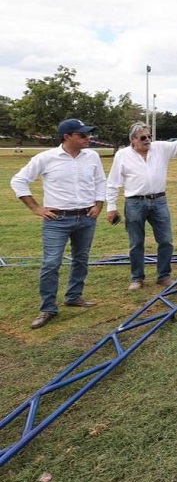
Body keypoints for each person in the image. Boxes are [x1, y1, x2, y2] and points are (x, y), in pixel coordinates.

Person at [10, 118, 107, 329]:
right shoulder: (46, 158)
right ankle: (48, 308)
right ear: (67, 136)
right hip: (57, 220)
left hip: (86, 217)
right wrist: (36, 208)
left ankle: (74, 296)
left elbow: (100, 182)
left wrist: (98, 205)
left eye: (88, 134)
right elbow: (18, 180)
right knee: (51, 263)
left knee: (81, 259)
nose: (88, 138)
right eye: (82, 135)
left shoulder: (92, 157)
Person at [105, 123, 177, 291]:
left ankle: (163, 276)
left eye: (149, 136)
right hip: (134, 203)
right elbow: (113, 183)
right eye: (143, 137)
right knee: (136, 242)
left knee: (165, 240)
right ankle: (137, 278)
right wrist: (111, 207)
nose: (148, 140)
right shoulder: (122, 155)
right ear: (133, 139)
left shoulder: (160, 148)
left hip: (159, 201)